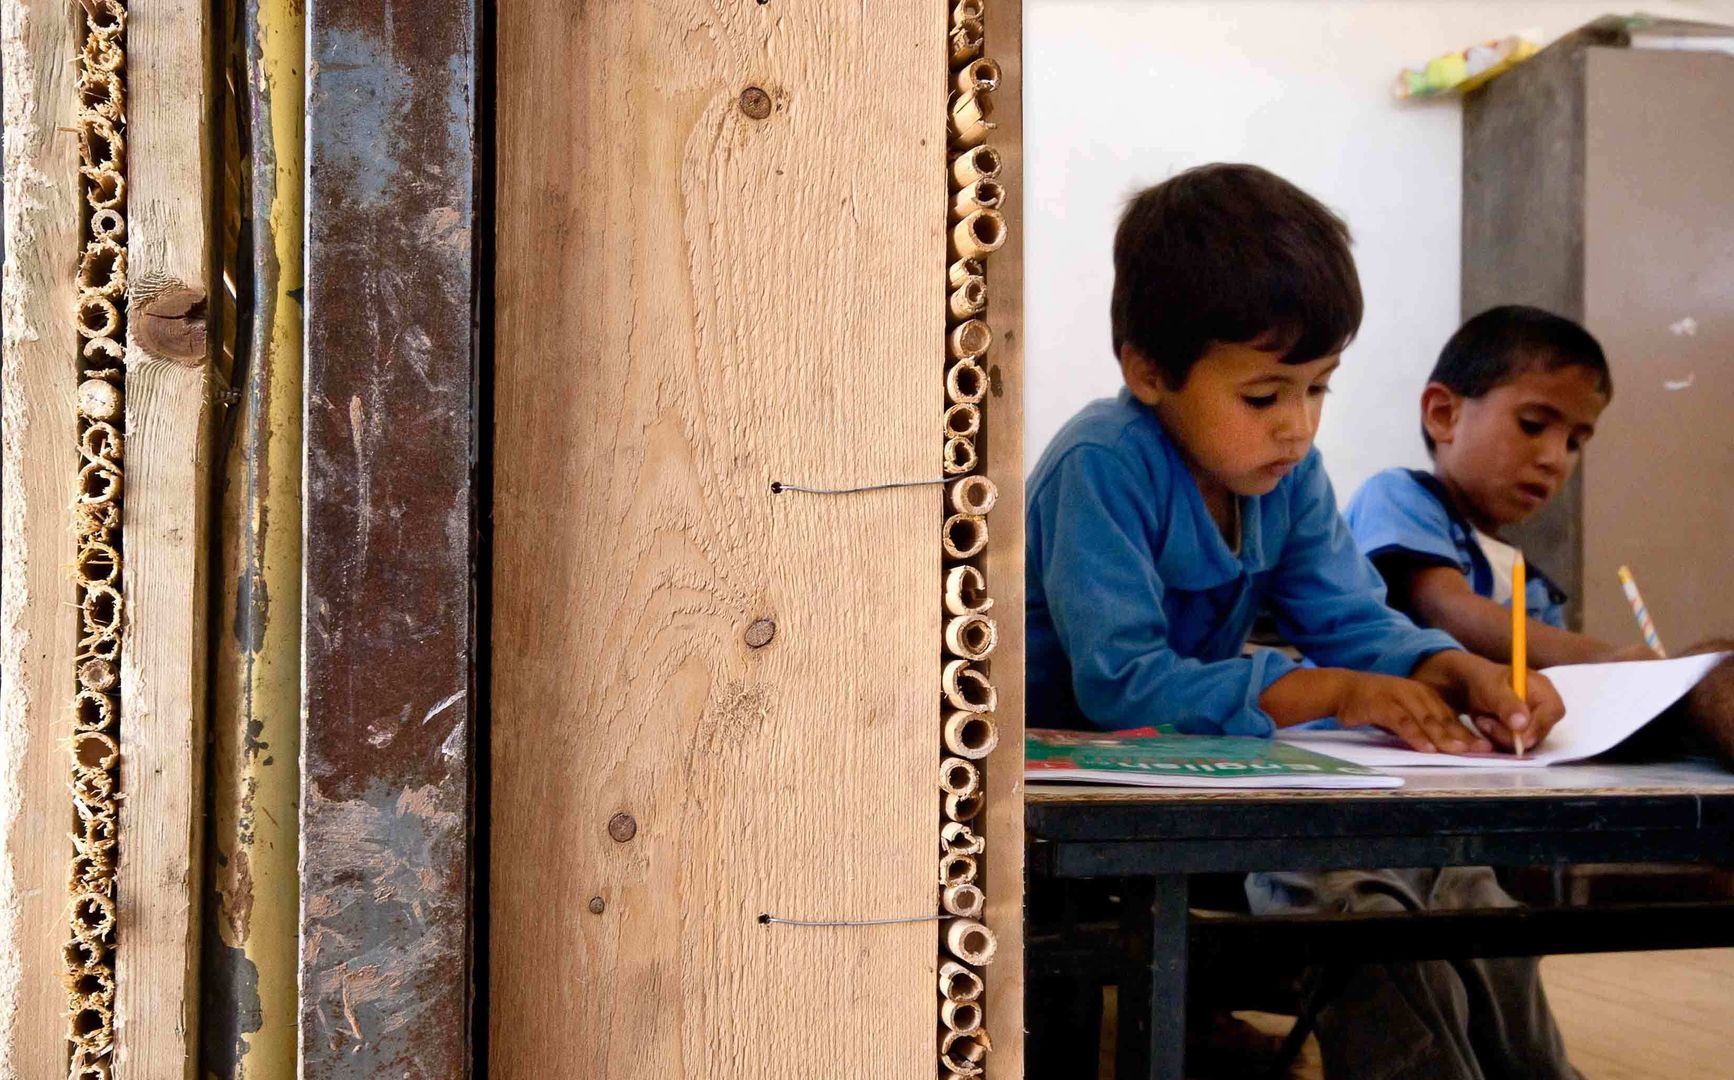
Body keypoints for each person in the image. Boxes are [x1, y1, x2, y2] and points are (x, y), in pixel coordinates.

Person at [1025, 164, 1579, 1079]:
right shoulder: (1102, 463)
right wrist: (1336, 691)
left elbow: (1355, 621)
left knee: (1463, 891)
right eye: (1266, 395)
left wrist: (1447, 669)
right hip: (1079, 808)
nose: (1299, 427)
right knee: (1358, 909)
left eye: (1318, 388)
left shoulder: (1286, 479)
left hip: (1201, 784)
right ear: (1148, 369)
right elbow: (1121, 682)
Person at [1346, 304, 1734, 763]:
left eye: (1575, 442)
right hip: (1360, 755)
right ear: (1443, 414)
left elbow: (1553, 686)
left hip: (1475, 765)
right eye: (1532, 424)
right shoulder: (1400, 497)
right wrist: (1607, 659)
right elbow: (1447, 608)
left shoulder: (1528, 582)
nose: (1555, 458)